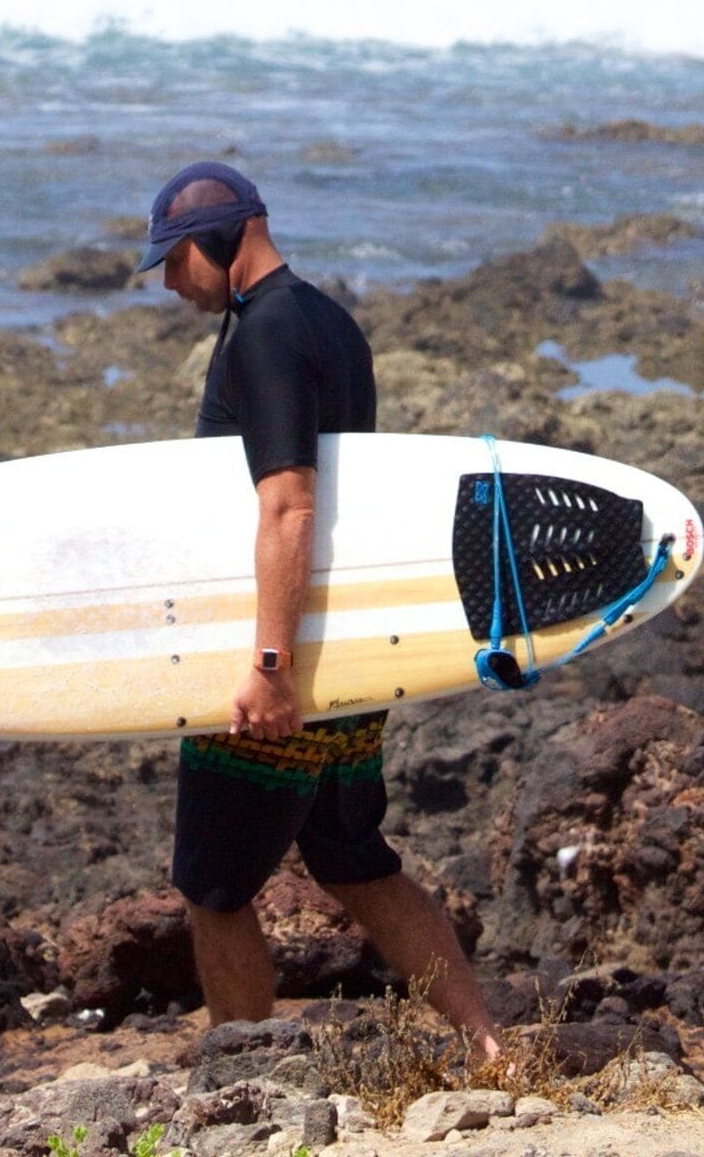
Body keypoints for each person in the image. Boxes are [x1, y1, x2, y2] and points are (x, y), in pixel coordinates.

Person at [139, 161, 500, 1059]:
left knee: (215, 888)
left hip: (282, 666)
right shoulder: (330, 324)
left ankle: (244, 1077)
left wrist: (268, 668)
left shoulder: (261, 336)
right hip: (347, 658)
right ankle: (492, 1045)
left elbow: (290, 504)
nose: (174, 285)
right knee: (354, 861)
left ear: (212, 242)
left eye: (175, 262)